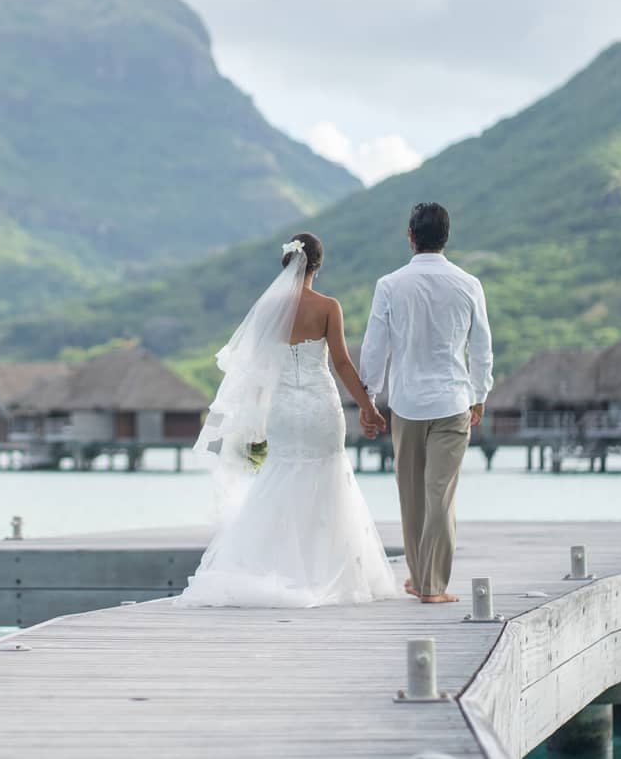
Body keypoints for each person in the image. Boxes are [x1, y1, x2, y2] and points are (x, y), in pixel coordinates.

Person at [176, 233, 398, 608]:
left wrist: (252, 421)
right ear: (318, 264)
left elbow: (258, 371)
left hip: (282, 408)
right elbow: (342, 363)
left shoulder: (268, 310)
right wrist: (368, 407)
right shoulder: (328, 306)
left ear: (288, 263)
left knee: (281, 476)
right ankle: (326, 571)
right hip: (320, 407)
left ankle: (274, 567)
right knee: (328, 477)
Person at [358, 203, 494, 604]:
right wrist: (480, 393)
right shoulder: (469, 284)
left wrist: (369, 399)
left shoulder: (390, 284)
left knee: (412, 496)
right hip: (453, 401)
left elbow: (375, 347)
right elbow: (481, 348)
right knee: (441, 495)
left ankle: (425, 580)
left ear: (410, 236)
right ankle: (427, 584)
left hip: (407, 403)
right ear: (446, 237)